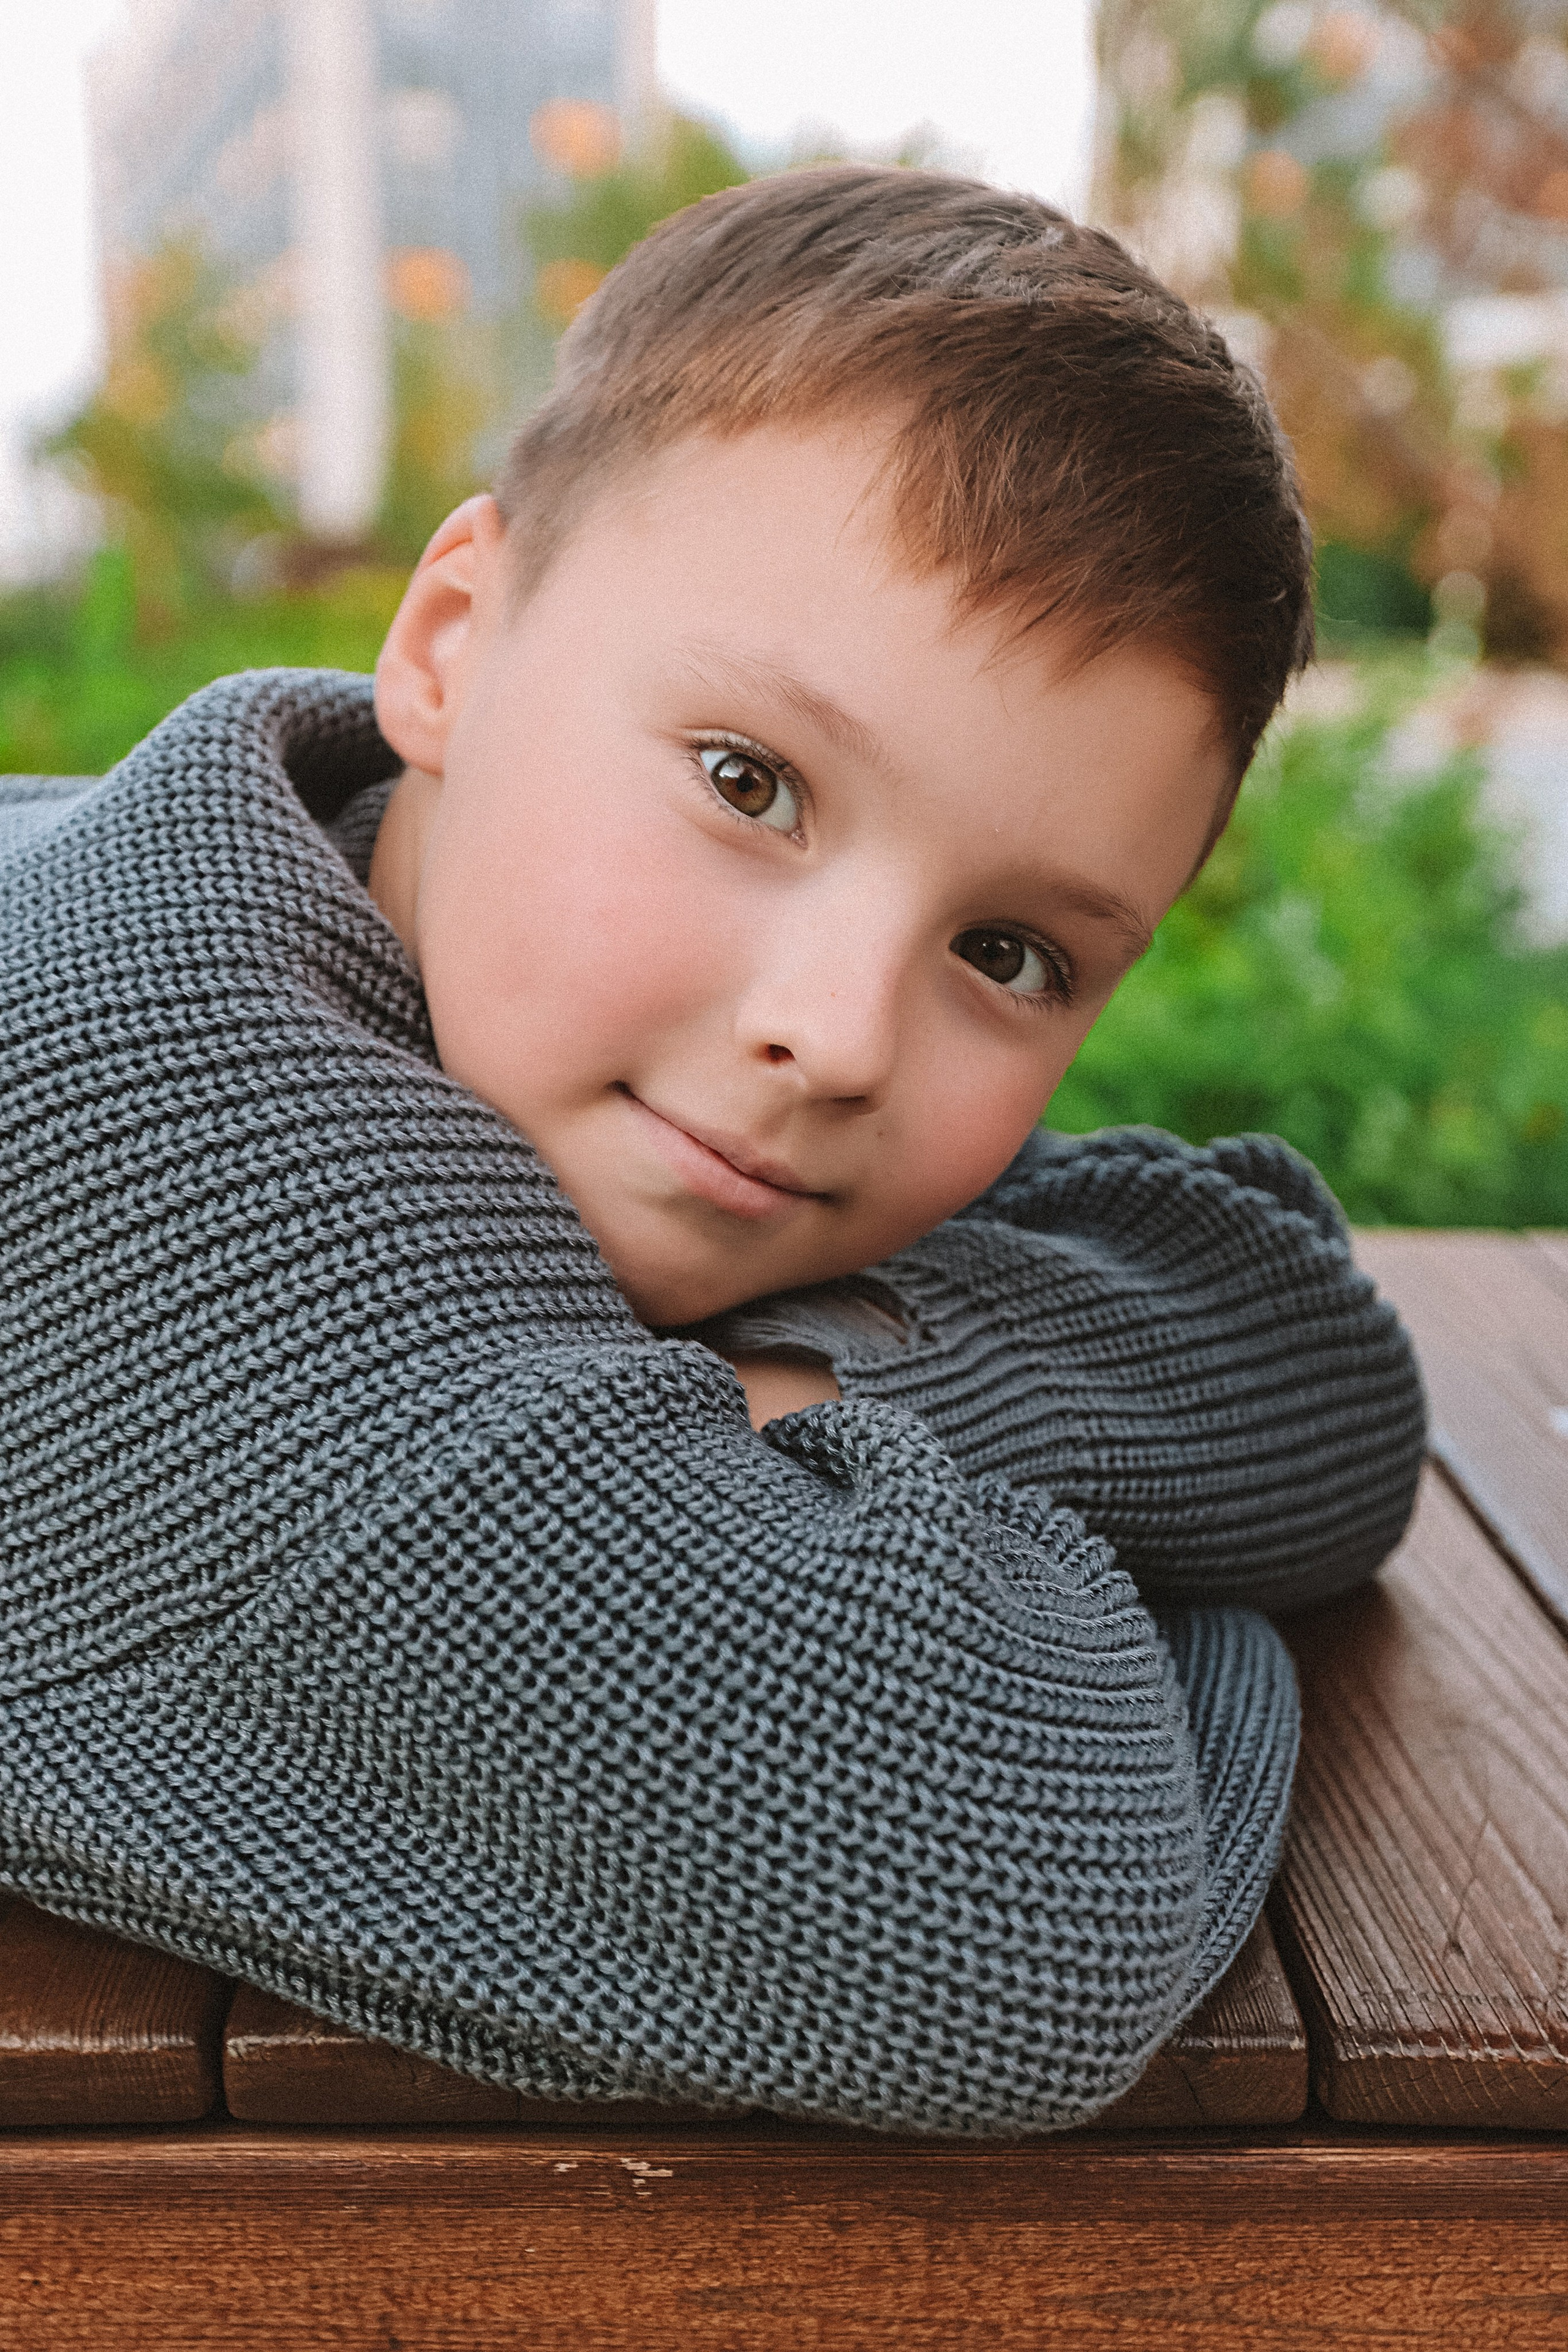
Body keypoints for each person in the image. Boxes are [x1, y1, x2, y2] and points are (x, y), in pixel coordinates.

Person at [0, 169, 1425, 2137]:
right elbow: (1031, 1911)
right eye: (751, 786)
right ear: (451, 642)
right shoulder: (184, 1204)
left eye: (1007, 953)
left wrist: (817, 1376)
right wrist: (1096, 1561)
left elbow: (1317, 1370)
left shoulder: (385, 910)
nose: (837, 1036)